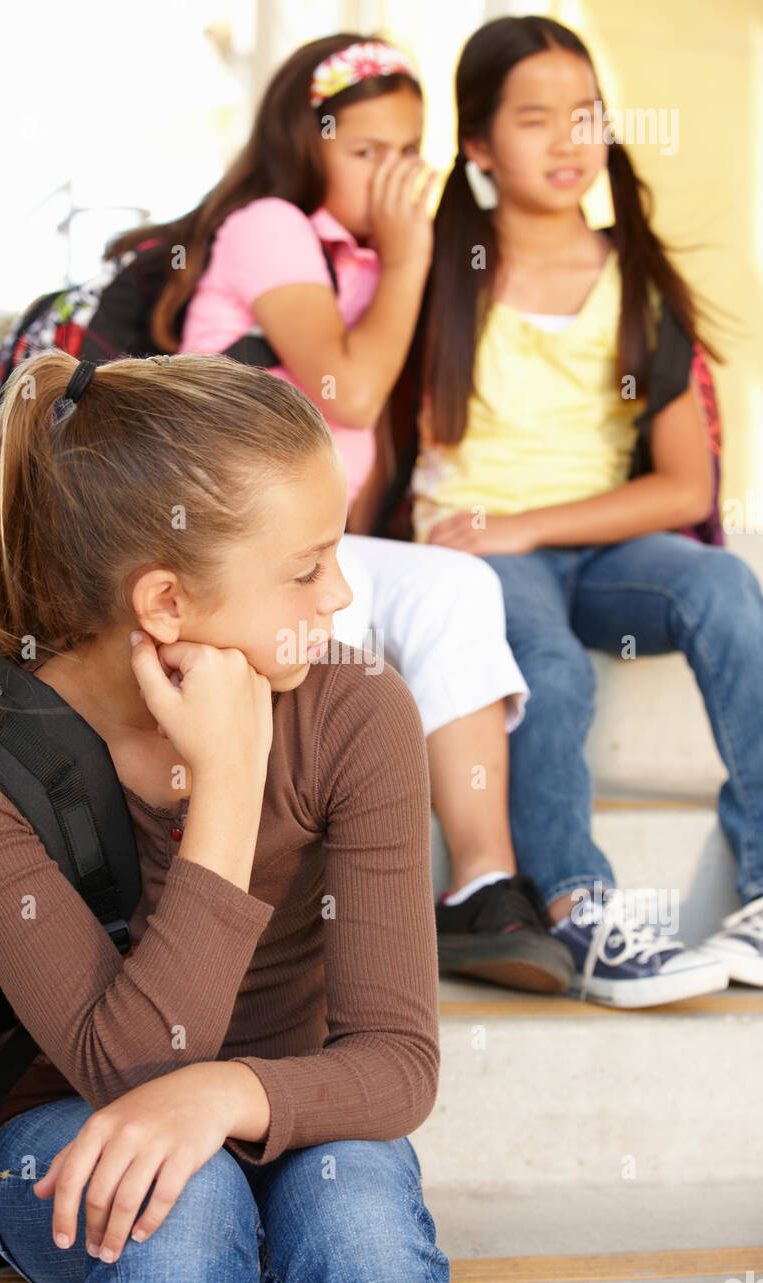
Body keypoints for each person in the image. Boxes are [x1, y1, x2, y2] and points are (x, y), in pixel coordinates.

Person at [0, 349, 452, 1283]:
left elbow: (398, 1063)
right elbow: (127, 1070)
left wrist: (227, 1093)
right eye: (305, 570)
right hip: (72, 1118)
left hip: (299, 1109)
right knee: (184, 1209)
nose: (340, 597)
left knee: (362, 1231)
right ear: (166, 603)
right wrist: (230, 783)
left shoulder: (357, 710)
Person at [103, 32, 574, 993]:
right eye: (364, 151)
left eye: (408, 152)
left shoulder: (370, 257)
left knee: (455, 588)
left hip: (318, 540)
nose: (391, 175)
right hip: (222, 546)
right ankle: (295, 914)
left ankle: (481, 886)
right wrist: (407, 260)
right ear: (307, 144)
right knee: (338, 625)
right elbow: (343, 393)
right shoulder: (273, 225)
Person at [410, 14, 763, 1007]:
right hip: (474, 552)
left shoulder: (635, 282)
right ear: (477, 143)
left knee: (723, 586)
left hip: (584, 546)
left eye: (586, 115)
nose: (570, 141)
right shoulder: (440, 268)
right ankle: (576, 910)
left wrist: (526, 522)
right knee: (550, 670)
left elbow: (684, 489)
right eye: (534, 120)